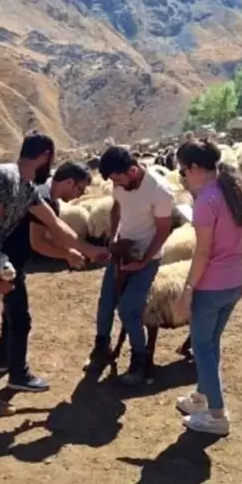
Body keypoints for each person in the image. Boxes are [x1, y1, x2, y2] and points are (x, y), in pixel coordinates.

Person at [0, 132, 109, 454]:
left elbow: (57, 227)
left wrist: (91, 250)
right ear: (43, 155)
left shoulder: (26, 189)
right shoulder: (4, 178)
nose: (52, 167)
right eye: (51, 160)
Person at [174, 139, 242, 436]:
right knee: (211, 344)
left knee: (202, 346)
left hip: (212, 286)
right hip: (235, 280)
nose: (183, 176)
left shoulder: (206, 200)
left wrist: (187, 290)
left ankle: (217, 415)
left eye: (183, 171)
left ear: (196, 168)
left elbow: (203, 252)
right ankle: (201, 397)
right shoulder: (234, 191)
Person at [0, 161, 93, 392]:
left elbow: (50, 235)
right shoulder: (43, 198)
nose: (81, 195)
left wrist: (69, 251)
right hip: (8, 264)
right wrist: (68, 255)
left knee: (9, 315)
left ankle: (2, 360)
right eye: (80, 189)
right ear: (69, 182)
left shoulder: (45, 195)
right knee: (20, 320)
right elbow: (37, 243)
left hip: (4, 259)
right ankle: (19, 374)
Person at [85, 146, 175, 385]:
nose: (116, 184)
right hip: (122, 251)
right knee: (106, 302)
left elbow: (164, 230)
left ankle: (140, 361)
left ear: (133, 170)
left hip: (146, 258)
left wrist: (144, 260)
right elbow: (116, 207)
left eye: (118, 178)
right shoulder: (119, 185)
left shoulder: (160, 192)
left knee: (128, 310)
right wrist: (113, 237)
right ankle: (101, 349)